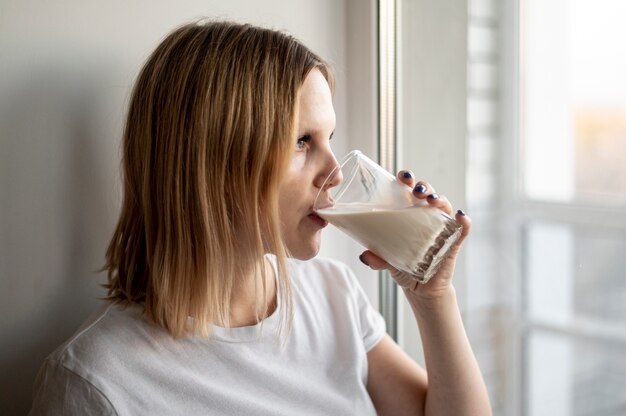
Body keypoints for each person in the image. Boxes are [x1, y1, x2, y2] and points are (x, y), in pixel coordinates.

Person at [29, 20, 492, 415]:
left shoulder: (334, 297)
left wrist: (434, 297)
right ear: (210, 163)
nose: (334, 173)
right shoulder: (96, 382)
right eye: (301, 141)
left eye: (329, 136)